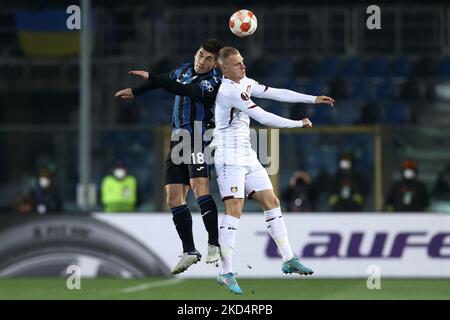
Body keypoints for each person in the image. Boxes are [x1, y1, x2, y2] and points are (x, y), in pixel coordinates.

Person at [212, 46, 334, 294]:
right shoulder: (228, 90)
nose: (243, 66)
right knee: (234, 209)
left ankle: (288, 259)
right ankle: (226, 272)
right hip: (228, 156)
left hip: (246, 153)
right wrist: (298, 123)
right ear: (224, 69)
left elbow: (276, 93)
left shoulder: (244, 82)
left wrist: (312, 99)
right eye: (237, 64)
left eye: (243, 62)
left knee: (271, 200)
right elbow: (265, 117)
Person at [115, 39, 223, 274]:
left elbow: (184, 89)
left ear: (216, 63)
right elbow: (165, 81)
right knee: (173, 198)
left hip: (198, 135)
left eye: (208, 58)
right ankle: (189, 251)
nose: (202, 61)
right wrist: (136, 91)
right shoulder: (183, 69)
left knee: (199, 187)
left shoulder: (214, 81)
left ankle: (214, 243)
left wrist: (153, 77)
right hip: (178, 138)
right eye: (201, 55)